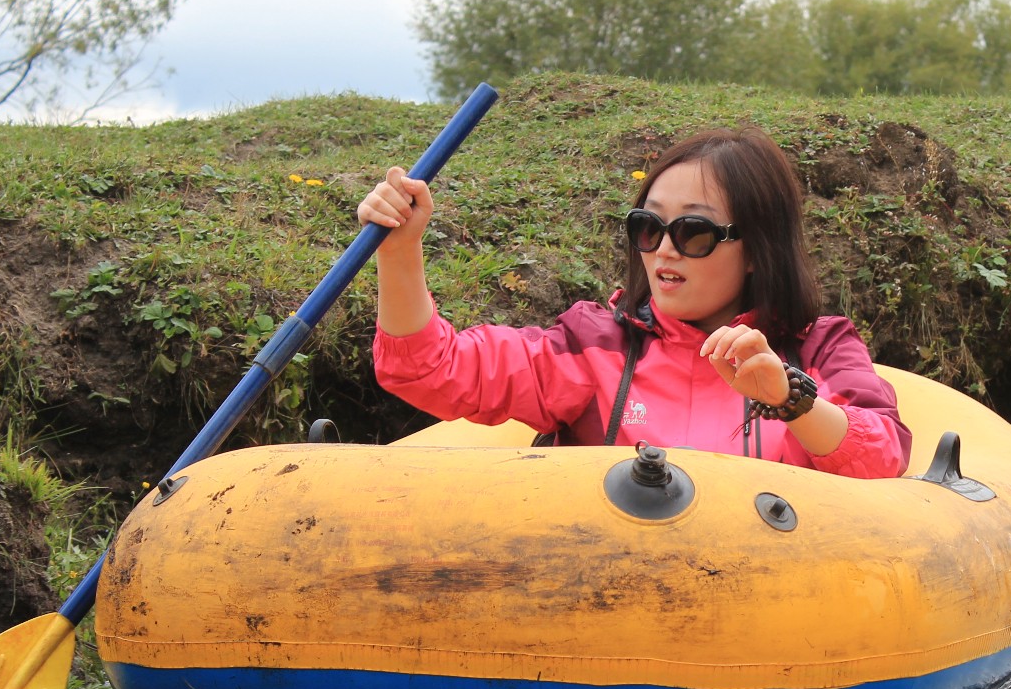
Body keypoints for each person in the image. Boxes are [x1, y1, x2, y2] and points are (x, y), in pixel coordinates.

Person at [361, 126, 912, 478]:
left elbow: (884, 459)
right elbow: (429, 369)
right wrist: (401, 252)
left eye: (694, 231)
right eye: (648, 226)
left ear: (755, 250)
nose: (665, 249)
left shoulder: (819, 346)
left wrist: (793, 400)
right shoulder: (590, 346)